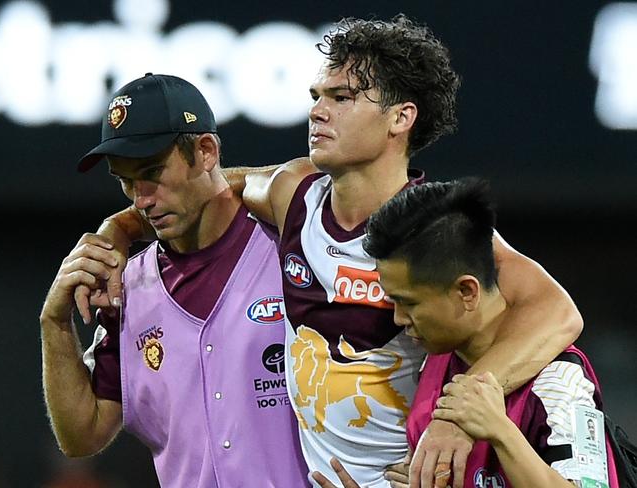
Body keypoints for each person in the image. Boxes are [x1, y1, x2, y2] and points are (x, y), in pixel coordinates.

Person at [95, 16, 583, 488]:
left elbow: (557, 311)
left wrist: (460, 413)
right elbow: (208, 188)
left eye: (342, 98)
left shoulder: (432, 228)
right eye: (317, 96)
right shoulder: (292, 195)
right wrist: (120, 227)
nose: (317, 111)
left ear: (401, 117)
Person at [39, 73, 309, 487]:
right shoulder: (128, 287)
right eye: (126, 181)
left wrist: (120, 225)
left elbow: (321, 181)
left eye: (153, 172)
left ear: (205, 151)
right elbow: (82, 435)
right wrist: (54, 325)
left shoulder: (290, 239)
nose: (140, 199)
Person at [355, 178, 619, 488]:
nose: (399, 319)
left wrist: (501, 433)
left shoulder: (558, 381)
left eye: (409, 303)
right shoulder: (434, 365)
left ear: (467, 291)